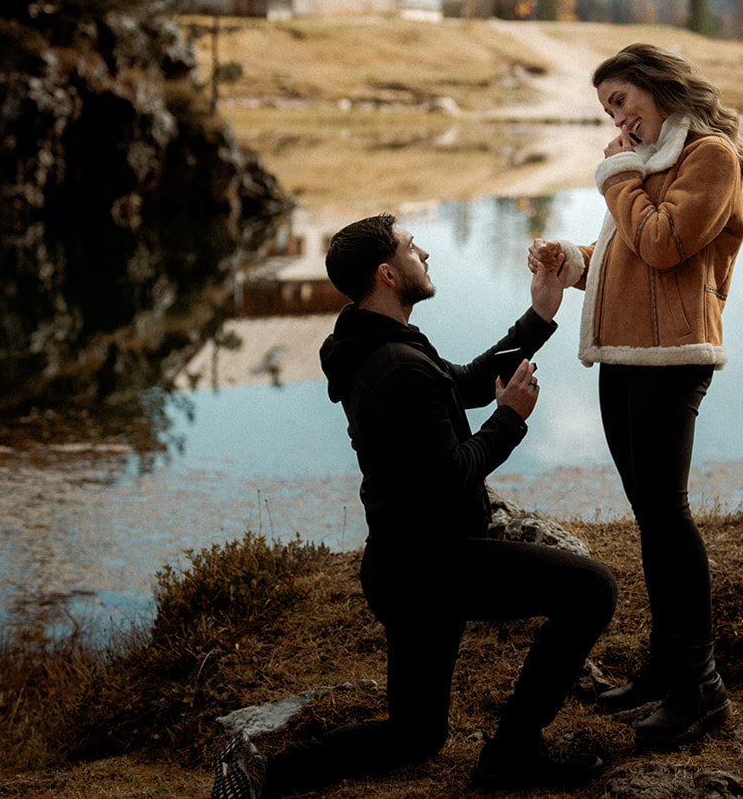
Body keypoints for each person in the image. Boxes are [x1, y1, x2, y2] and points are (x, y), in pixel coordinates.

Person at [213, 213, 617, 798]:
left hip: (402, 565)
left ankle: (266, 776)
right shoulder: (396, 365)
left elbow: (467, 383)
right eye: (410, 247)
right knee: (593, 589)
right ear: (387, 273)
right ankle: (513, 751)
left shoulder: (378, 343)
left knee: (415, 734)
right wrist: (509, 419)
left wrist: (541, 313)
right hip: (432, 568)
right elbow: (451, 476)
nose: (424, 253)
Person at [529, 42, 743, 746]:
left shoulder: (709, 156)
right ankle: (664, 668)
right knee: (650, 517)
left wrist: (617, 175)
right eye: (608, 111)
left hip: (672, 359)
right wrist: (574, 262)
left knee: (667, 515)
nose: (618, 121)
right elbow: (630, 254)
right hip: (626, 355)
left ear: (657, 88)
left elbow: (663, 245)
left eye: (622, 102)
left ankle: (702, 686)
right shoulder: (649, 163)